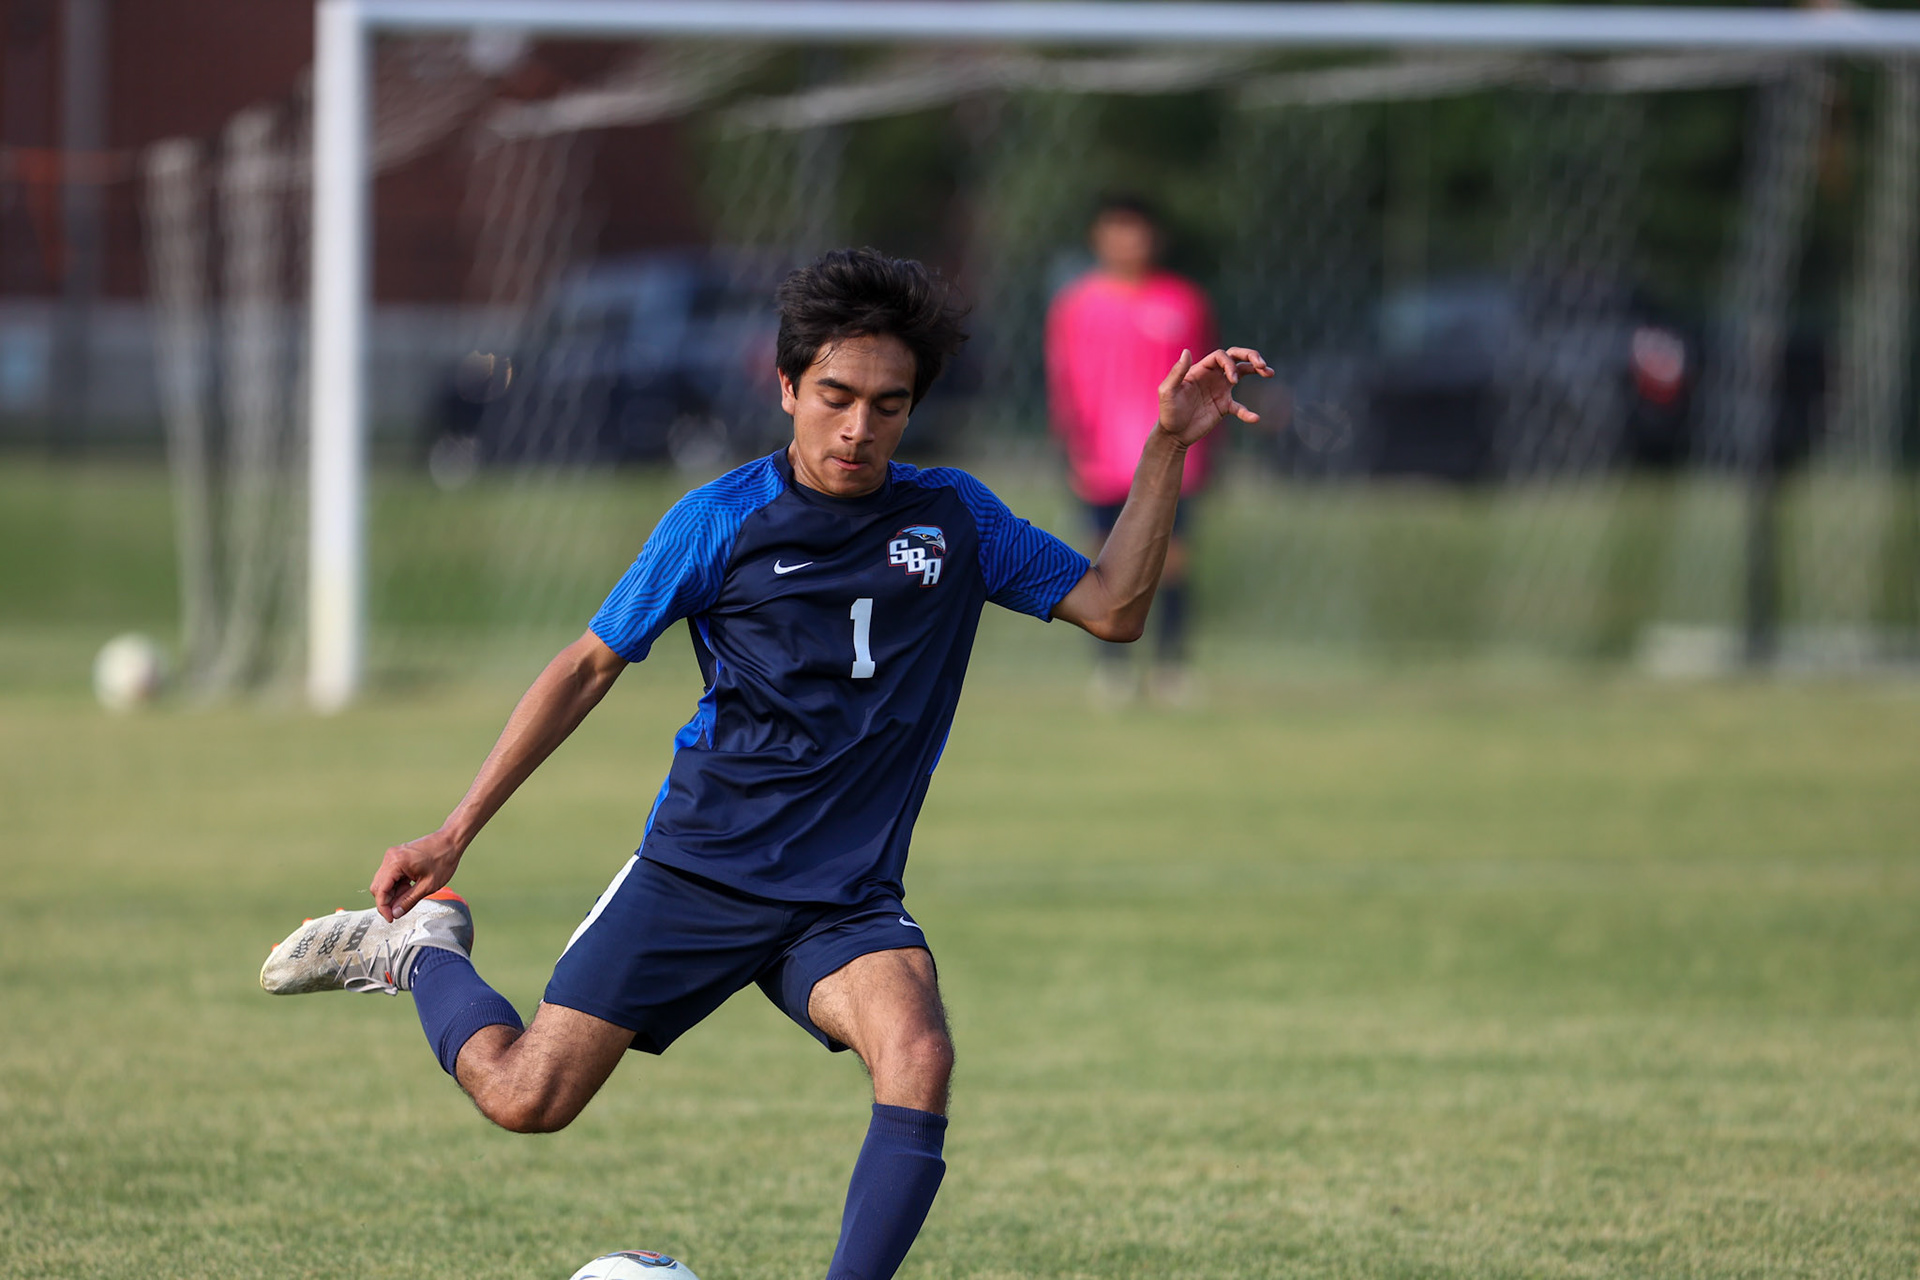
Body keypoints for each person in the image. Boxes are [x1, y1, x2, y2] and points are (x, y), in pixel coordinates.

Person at [261, 247, 1269, 1280]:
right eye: (835, 396)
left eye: (888, 404)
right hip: (703, 865)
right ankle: (422, 953)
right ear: (785, 387)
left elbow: (1114, 607)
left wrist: (1165, 447)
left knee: (918, 1052)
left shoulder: (955, 519)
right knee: (526, 1096)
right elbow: (586, 664)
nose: (858, 427)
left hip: (843, 892)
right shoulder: (719, 520)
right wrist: (453, 830)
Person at [1046, 194, 1218, 705]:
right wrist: (1070, 446)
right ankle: (1112, 672)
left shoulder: (1183, 301)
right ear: (1098, 238)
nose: (1127, 241)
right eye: (1116, 229)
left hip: (1170, 459)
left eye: (1137, 229)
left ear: (1154, 237)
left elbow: (1204, 379)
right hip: (1100, 459)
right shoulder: (1076, 304)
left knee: (1174, 561)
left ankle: (1171, 667)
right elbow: (1063, 383)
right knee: (1102, 564)